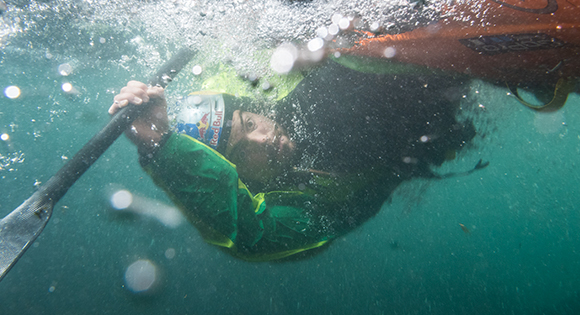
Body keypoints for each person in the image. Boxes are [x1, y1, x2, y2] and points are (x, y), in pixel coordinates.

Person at [110, 57, 477, 261]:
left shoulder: (251, 84)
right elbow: (252, 235)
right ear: (240, 178)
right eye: (242, 152)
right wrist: (159, 146)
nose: (263, 138)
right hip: (422, 126)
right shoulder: (305, 204)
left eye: (251, 123)